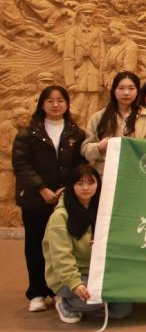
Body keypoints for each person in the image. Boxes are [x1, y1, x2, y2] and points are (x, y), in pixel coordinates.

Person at [12, 86, 86, 313]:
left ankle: (58, 291)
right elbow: (21, 165)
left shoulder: (76, 134)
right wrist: (42, 188)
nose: (55, 105)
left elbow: (81, 166)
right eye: (50, 101)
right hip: (35, 200)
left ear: (67, 104)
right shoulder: (28, 133)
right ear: (42, 104)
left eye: (60, 100)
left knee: (63, 246)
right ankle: (37, 292)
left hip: (66, 199)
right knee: (35, 246)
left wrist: (68, 189)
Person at [44, 164, 133, 324]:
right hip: (69, 278)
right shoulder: (60, 217)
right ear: (71, 186)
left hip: (97, 272)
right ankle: (67, 303)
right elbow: (60, 257)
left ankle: (83, 304)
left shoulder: (103, 210)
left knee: (123, 308)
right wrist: (75, 284)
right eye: (80, 183)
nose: (86, 188)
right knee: (101, 299)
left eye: (91, 182)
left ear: (98, 184)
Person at [82, 72, 146, 170]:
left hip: (135, 171)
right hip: (105, 172)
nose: (126, 93)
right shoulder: (99, 117)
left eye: (131, 88)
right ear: (113, 90)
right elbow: (85, 151)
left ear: (137, 91)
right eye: (121, 88)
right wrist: (99, 147)